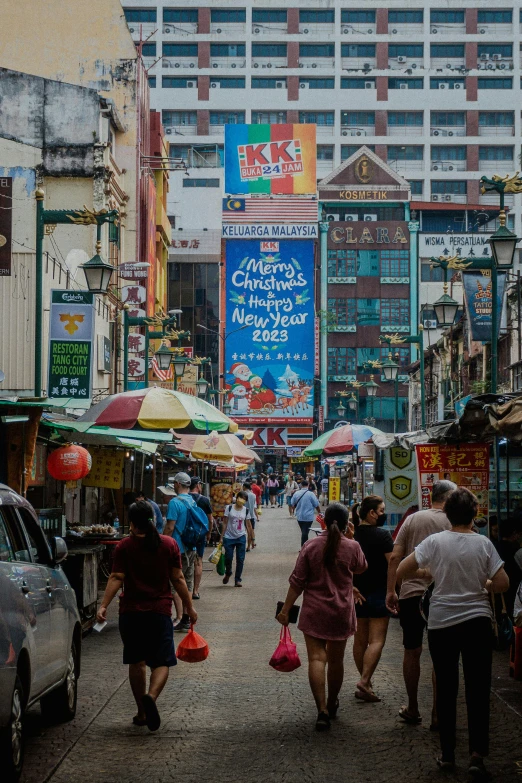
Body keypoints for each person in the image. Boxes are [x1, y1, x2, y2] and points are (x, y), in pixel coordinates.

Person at [397, 487, 509, 779]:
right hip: (477, 623)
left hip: (442, 623)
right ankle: (476, 755)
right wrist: (482, 583)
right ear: (474, 514)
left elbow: (402, 570)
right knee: (477, 688)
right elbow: (503, 582)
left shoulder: (434, 542)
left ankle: (447, 754)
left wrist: (429, 573)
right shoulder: (484, 544)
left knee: (446, 688)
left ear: (447, 514)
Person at [96, 500, 197, 731]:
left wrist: (103, 606)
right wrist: (189, 608)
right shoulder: (169, 544)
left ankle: (142, 712)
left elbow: (116, 578)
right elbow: (178, 579)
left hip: (131, 613)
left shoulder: (124, 546)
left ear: (132, 523)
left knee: (136, 662)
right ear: (152, 518)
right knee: (161, 661)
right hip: (160, 612)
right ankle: (151, 695)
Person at [277, 502, 367, 731]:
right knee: (336, 661)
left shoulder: (311, 545)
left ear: (323, 522)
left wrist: (286, 610)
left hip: (315, 611)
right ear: (347, 524)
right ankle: (332, 702)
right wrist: (351, 538)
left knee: (317, 659)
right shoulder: (352, 546)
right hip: (340, 611)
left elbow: (297, 581)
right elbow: (361, 568)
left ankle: (322, 710)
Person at [385, 480, 456, 726]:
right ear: (449, 498)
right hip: (444, 595)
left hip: (411, 594)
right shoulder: (455, 522)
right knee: (442, 655)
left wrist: (391, 591)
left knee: (412, 650)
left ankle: (413, 707)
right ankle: (438, 712)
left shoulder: (413, 519)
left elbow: (395, 556)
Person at [352, 495, 393, 703]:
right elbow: (392, 564)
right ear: (372, 513)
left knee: (360, 641)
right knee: (377, 640)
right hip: (379, 591)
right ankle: (365, 680)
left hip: (356, 592)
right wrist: (394, 590)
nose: (383, 514)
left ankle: (365, 683)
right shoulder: (383, 536)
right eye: (382, 510)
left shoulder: (353, 534)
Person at [164, 472, 206, 633]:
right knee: (188, 582)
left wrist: (161, 544)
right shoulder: (193, 501)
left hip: (177, 548)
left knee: (175, 583)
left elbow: (170, 527)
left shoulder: (175, 502)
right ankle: (187, 616)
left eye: (174, 483)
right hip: (191, 547)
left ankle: (180, 617)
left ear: (178, 484)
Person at [219, 490, 253, 587]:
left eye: (244, 499)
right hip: (229, 537)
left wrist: (251, 539)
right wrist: (221, 537)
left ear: (246, 501)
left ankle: (237, 579)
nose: (242, 500)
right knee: (228, 557)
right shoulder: (229, 508)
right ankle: (228, 572)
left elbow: (249, 525)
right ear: (237, 498)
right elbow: (225, 522)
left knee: (240, 559)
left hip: (241, 537)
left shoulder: (246, 510)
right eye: (240, 497)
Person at [189, 477, 213, 600]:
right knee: (198, 562)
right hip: (199, 535)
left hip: (185, 535)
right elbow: (210, 519)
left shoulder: (182, 499)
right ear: (198, 485)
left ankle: (184, 589)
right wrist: (209, 533)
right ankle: (195, 591)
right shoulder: (204, 500)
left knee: (184, 561)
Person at [292, 479, 320, 548]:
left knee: (304, 531)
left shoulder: (296, 493)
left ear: (301, 485)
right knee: (305, 532)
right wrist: (320, 513)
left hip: (299, 516)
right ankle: (304, 547)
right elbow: (316, 505)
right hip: (308, 517)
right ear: (308, 485)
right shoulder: (311, 494)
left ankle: (304, 547)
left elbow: (292, 503)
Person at [242, 481, 258, 550]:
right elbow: (254, 506)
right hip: (252, 515)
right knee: (250, 531)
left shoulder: (243, 494)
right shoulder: (253, 495)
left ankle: (245, 546)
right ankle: (249, 545)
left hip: (244, 515)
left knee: (243, 532)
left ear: (244, 487)